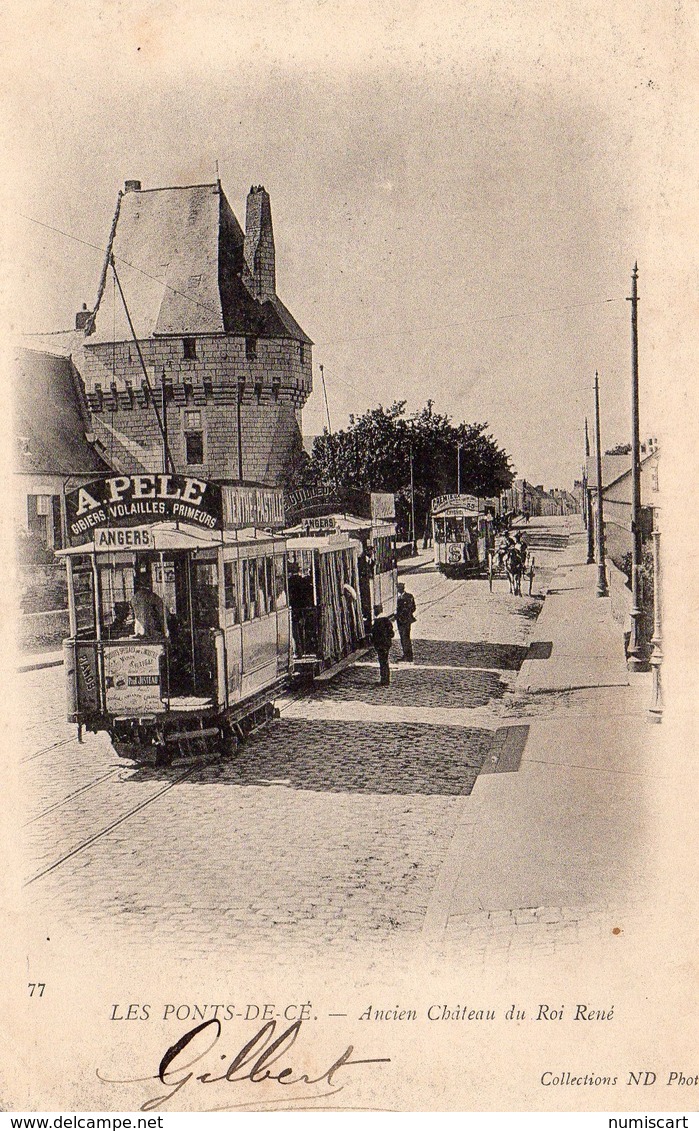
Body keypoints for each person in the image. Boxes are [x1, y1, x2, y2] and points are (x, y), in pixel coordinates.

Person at [370, 603, 394, 686]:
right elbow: (392, 634)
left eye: (375, 610)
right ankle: (386, 679)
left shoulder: (378, 622)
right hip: (386, 644)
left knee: (382, 662)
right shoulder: (387, 620)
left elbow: (375, 634)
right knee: (385, 661)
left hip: (380, 645)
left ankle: (384, 680)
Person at [395, 581, 416, 662]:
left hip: (406, 620)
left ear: (402, 588)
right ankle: (406, 655)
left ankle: (408, 656)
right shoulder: (397, 598)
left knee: (405, 638)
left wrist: (405, 613)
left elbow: (413, 608)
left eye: (399, 588)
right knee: (403, 638)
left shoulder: (409, 596)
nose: (398, 590)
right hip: (400, 621)